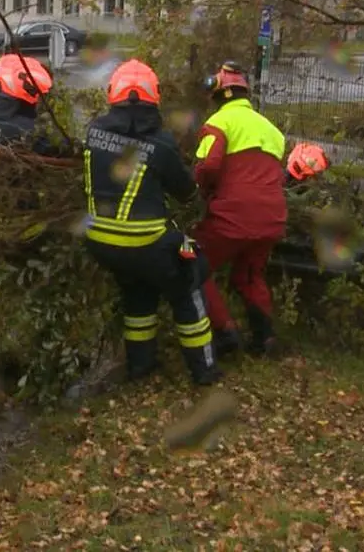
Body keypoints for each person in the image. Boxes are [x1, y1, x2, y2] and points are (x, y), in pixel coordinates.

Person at [82, 59, 223, 386]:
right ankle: (204, 370)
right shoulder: (160, 143)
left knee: (138, 290)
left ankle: (140, 366)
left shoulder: (93, 132)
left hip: (100, 242)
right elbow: (186, 193)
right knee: (190, 272)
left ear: (113, 94)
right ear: (153, 98)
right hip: (146, 242)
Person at [193, 62, 287, 358]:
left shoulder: (219, 123)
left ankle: (225, 332)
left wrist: (199, 190)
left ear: (219, 95)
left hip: (233, 217)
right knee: (249, 275)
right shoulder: (273, 131)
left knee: (194, 263)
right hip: (272, 218)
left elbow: (208, 166)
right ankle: (265, 338)